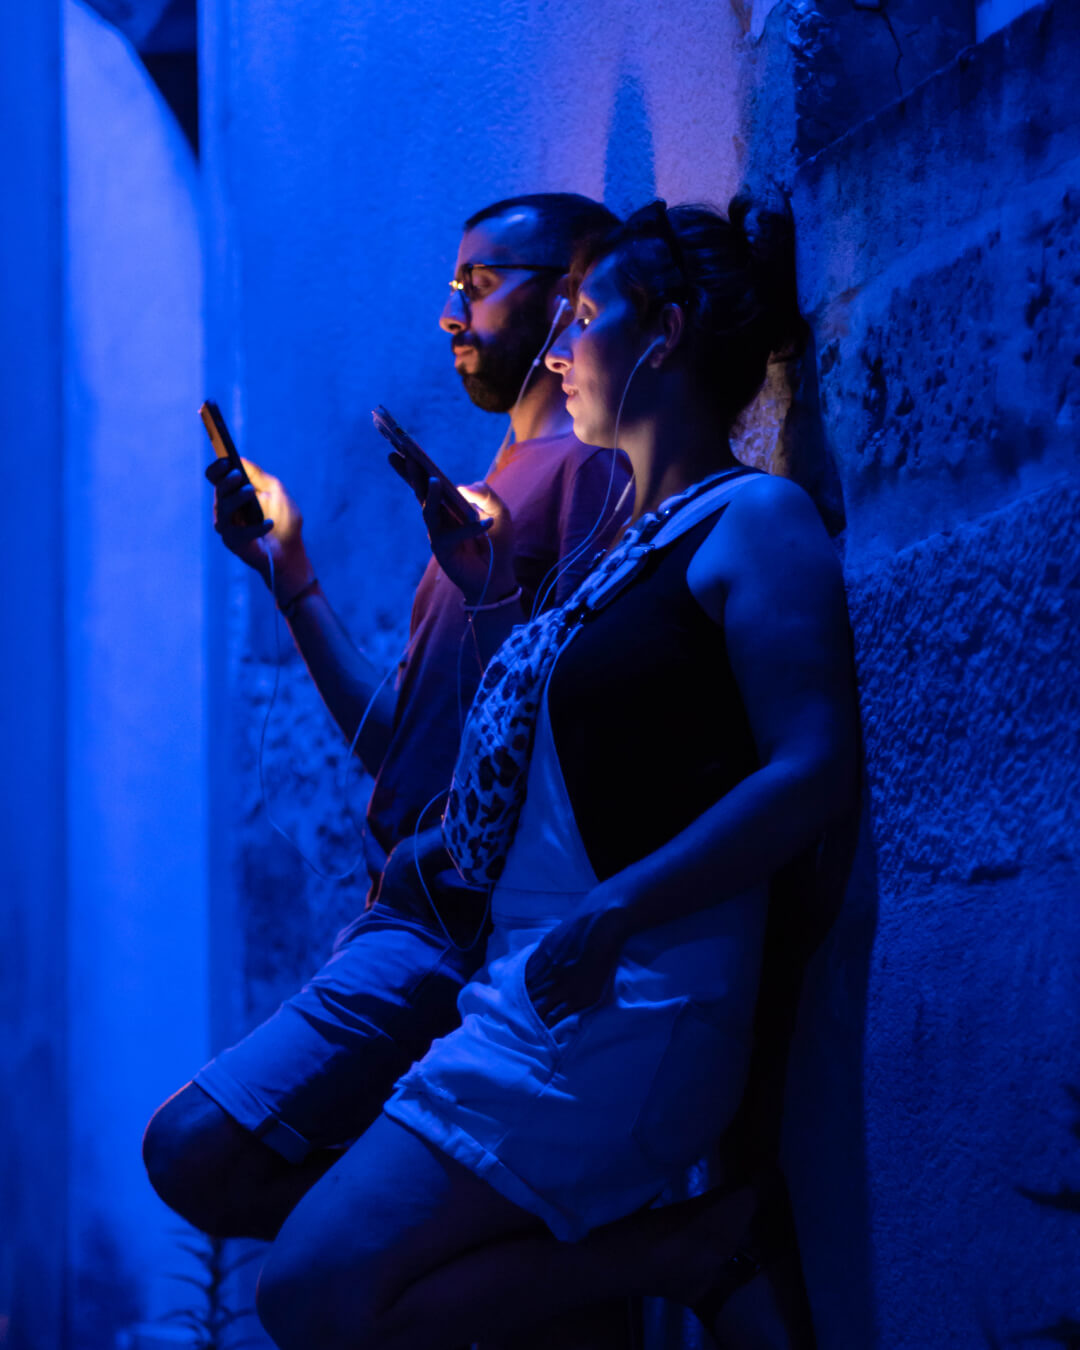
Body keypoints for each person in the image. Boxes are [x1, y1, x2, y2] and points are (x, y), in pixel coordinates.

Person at [252, 193, 858, 1350]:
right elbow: (531, 755)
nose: (564, 347)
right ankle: (688, 1251)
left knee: (311, 1291)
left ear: (666, 333)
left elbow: (813, 765)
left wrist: (622, 906)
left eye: (586, 313)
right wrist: (486, 588)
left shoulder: (755, 521)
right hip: (533, 991)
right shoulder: (617, 545)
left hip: (634, 993)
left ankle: (688, 1249)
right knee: (324, 1293)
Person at [141, 194, 631, 1251]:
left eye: (481, 284)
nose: (452, 313)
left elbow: (560, 727)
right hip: (401, 912)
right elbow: (401, 743)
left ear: (566, 298)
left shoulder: (590, 479)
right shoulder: (491, 491)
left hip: (453, 928)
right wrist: (292, 578)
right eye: (454, 287)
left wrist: (496, 587)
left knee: (192, 1150)